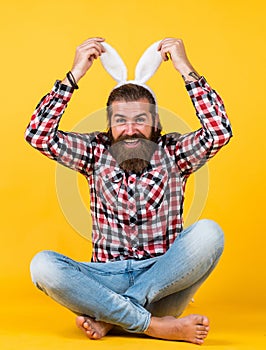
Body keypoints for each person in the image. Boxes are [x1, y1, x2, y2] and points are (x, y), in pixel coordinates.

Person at [25, 37, 232, 345]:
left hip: (163, 282)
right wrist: (74, 74)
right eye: (120, 120)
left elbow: (219, 131)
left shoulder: (174, 152)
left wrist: (184, 67)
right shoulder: (95, 151)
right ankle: (155, 326)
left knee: (210, 233)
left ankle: (115, 316)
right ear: (109, 125)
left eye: (140, 119)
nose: (130, 128)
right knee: (42, 266)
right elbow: (39, 135)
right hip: (105, 278)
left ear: (155, 122)